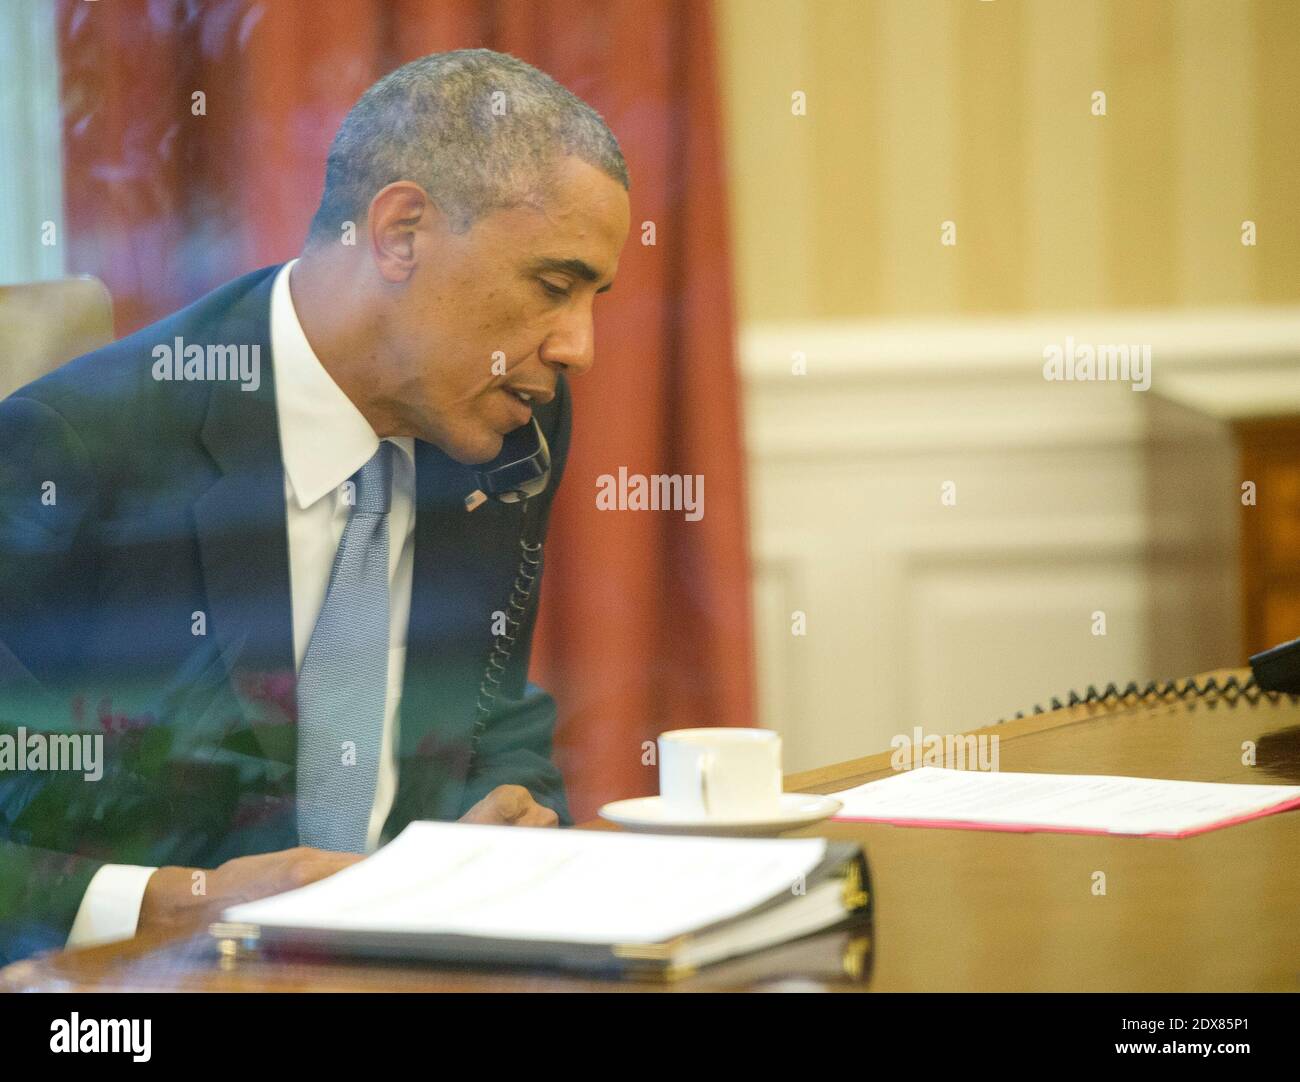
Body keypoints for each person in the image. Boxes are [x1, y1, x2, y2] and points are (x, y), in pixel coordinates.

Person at [0, 48, 630, 964]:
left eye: (596, 298)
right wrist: (180, 901)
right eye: (553, 285)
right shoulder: (78, 452)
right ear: (400, 231)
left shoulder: (509, 427)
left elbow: (489, 703)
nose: (580, 347)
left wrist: (511, 816)